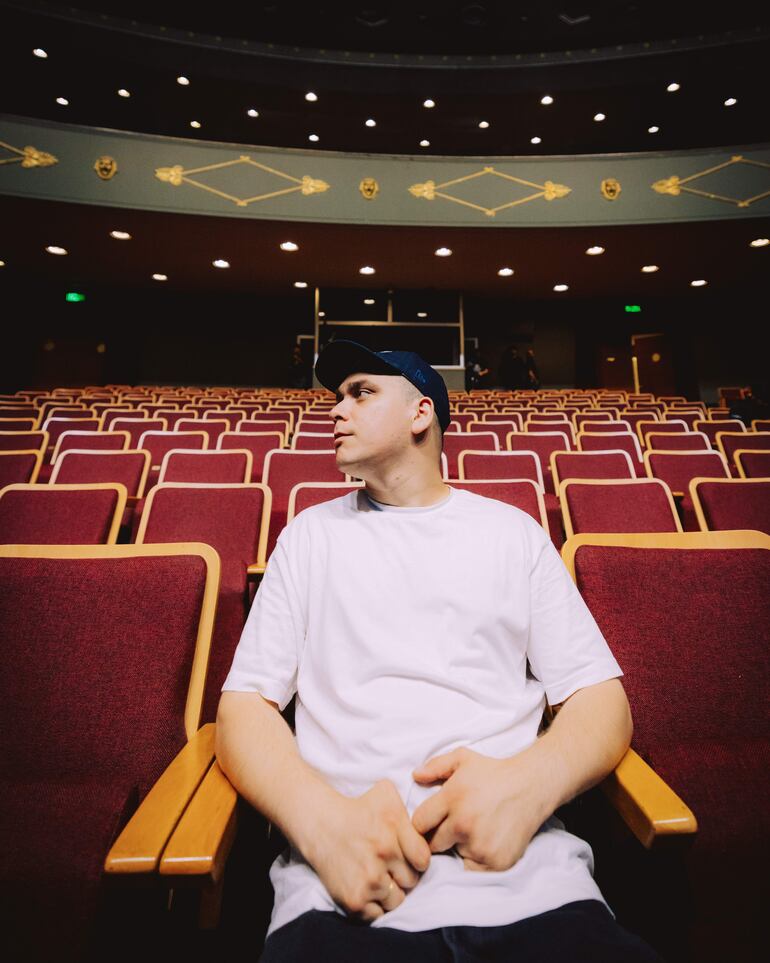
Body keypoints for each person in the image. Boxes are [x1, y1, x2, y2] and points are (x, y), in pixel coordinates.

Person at [216, 339, 661, 962]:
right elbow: (244, 709)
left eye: (361, 393)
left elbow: (600, 698)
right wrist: (322, 825)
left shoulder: (512, 533)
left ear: (420, 412)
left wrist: (529, 787)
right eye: (337, 397)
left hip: (532, 887)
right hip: (344, 895)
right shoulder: (307, 537)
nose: (335, 410)